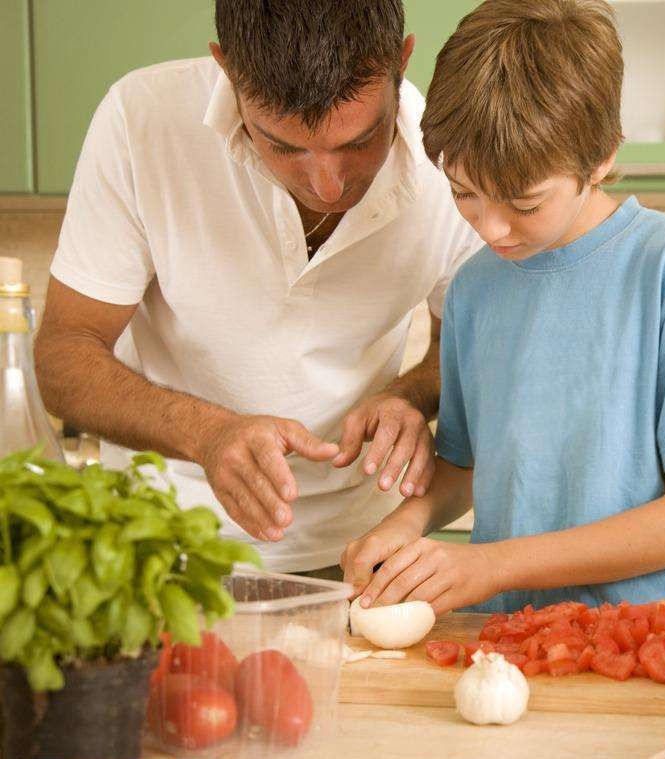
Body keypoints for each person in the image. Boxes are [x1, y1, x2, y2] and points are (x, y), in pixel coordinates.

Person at [341, 0, 665, 616]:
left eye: (524, 204)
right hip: (509, 639)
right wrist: (404, 525)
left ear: (602, 157)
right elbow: (468, 468)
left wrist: (493, 565)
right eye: (464, 194)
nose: (492, 229)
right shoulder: (473, 289)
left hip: (652, 644)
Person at [34, 0, 481, 576]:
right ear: (226, 70)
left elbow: (459, 350)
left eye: (359, 140)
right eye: (285, 146)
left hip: (362, 550)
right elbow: (63, 356)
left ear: (402, 61)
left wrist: (408, 396)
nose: (328, 183)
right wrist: (206, 434)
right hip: (159, 541)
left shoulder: (451, 154)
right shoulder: (140, 120)